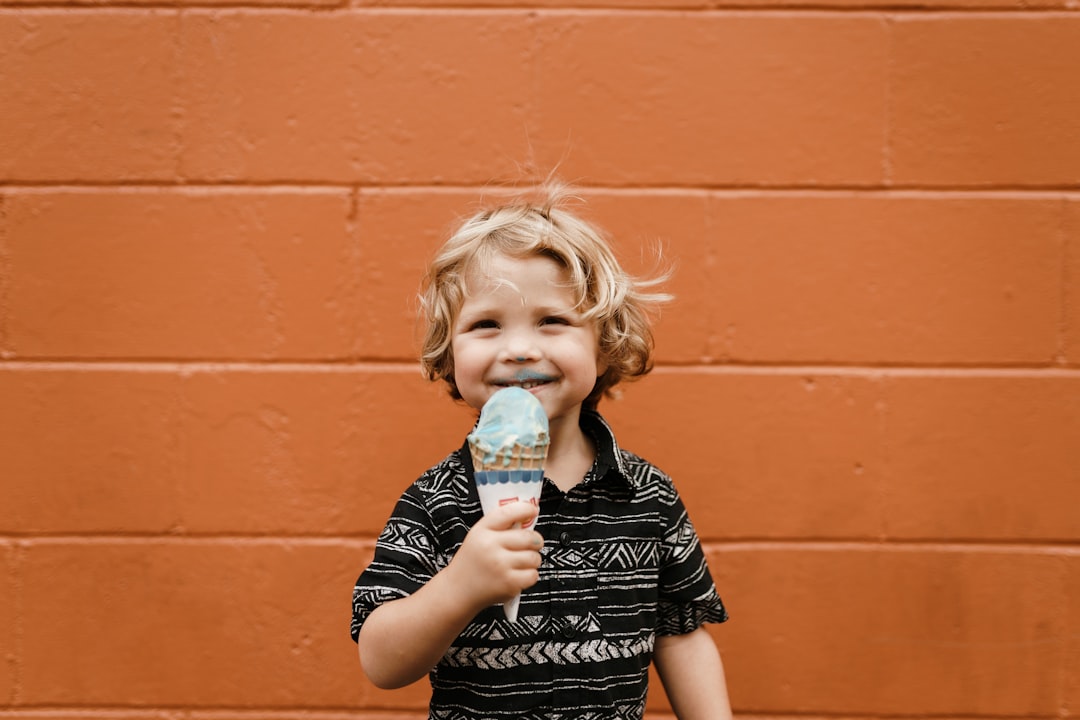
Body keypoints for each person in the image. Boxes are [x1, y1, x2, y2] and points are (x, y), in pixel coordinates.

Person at [351, 183, 732, 720]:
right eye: (486, 325)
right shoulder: (436, 500)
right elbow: (381, 661)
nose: (520, 348)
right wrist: (460, 587)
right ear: (449, 352)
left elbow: (680, 636)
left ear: (603, 346)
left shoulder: (649, 497)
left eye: (552, 320)